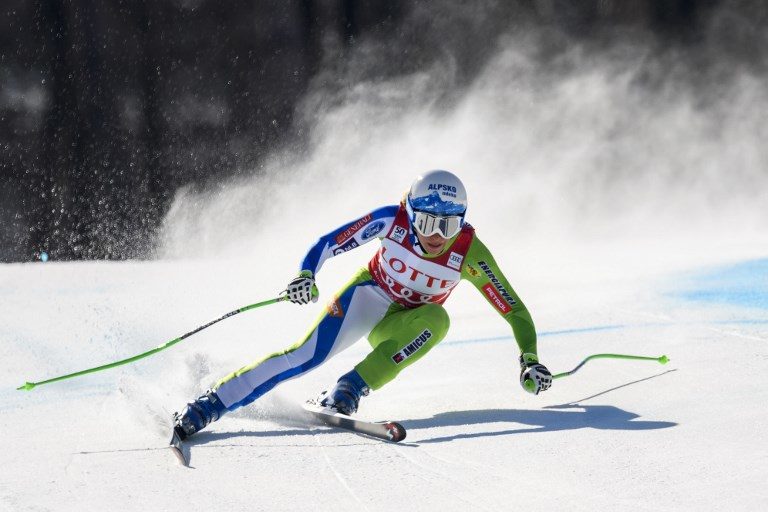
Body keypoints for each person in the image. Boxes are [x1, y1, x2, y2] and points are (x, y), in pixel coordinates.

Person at [172, 169, 552, 441]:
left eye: (448, 227)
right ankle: (211, 403)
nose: (436, 237)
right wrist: (307, 274)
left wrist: (529, 358)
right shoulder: (392, 220)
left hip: (402, 325)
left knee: (437, 319)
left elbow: (513, 310)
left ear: (462, 224)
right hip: (367, 298)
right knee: (303, 357)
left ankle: (349, 388)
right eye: (427, 222)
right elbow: (330, 242)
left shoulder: (470, 253)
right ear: (411, 213)